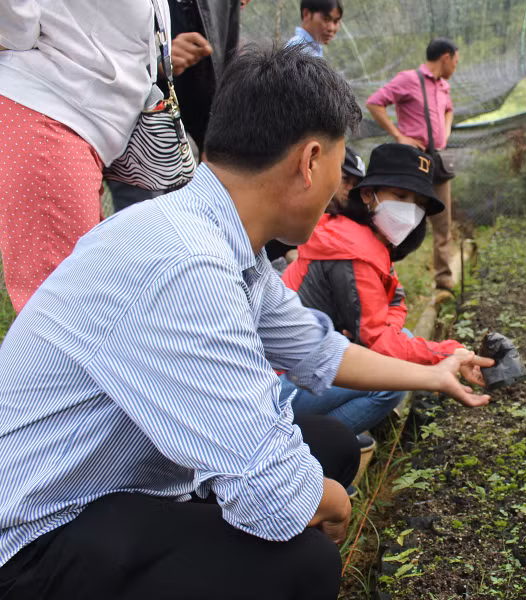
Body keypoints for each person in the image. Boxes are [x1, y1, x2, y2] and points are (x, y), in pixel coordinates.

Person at [0, 46, 490, 599]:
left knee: (330, 445)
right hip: (34, 535)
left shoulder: (221, 239)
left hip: (123, 486)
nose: (338, 187)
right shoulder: (186, 265)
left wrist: (436, 373)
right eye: (339, 163)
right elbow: (275, 493)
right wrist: (335, 502)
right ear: (309, 162)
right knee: (302, 564)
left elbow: (320, 352)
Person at [280, 143, 491, 436]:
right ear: (368, 194)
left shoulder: (364, 240)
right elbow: (379, 343)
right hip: (278, 383)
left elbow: (396, 300)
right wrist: (448, 351)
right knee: (391, 383)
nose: (410, 210)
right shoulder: (352, 252)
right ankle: (303, 450)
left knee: (398, 341)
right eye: (401, 196)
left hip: (306, 359)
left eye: (418, 202)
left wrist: (385, 332)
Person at [0, 0, 168, 313]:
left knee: (88, 300)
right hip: (52, 108)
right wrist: (15, 29)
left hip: (77, 117)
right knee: (62, 316)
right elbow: (15, 25)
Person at [110, 0, 248, 213]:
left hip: (197, 148)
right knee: (145, 230)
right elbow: (101, 54)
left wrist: (216, 143)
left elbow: (225, 71)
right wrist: (157, 63)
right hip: (139, 135)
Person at [366, 38, 460, 292]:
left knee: (442, 220)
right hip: (413, 162)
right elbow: (375, 102)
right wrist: (399, 135)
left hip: (437, 160)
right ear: (446, 57)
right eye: (456, 61)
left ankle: (443, 278)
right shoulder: (408, 79)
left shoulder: (444, 87)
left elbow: (449, 110)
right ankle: (386, 274)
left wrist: (445, 132)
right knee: (400, 219)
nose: (455, 67)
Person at [269, 145, 366, 272]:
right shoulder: (298, 206)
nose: (350, 188)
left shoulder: (351, 217)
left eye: (355, 184)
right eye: (346, 180)